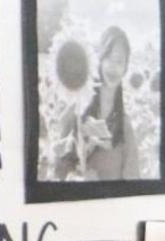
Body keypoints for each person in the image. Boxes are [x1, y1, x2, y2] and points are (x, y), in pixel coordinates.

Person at [53, 26, 140, 181]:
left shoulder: (125, 128)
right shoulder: (76, 112)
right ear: (99, 60)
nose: (113, 67)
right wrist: (76, 178)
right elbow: (58, 172)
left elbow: (133, 185)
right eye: (108, 58)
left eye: (119, 61)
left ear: (126, 68)